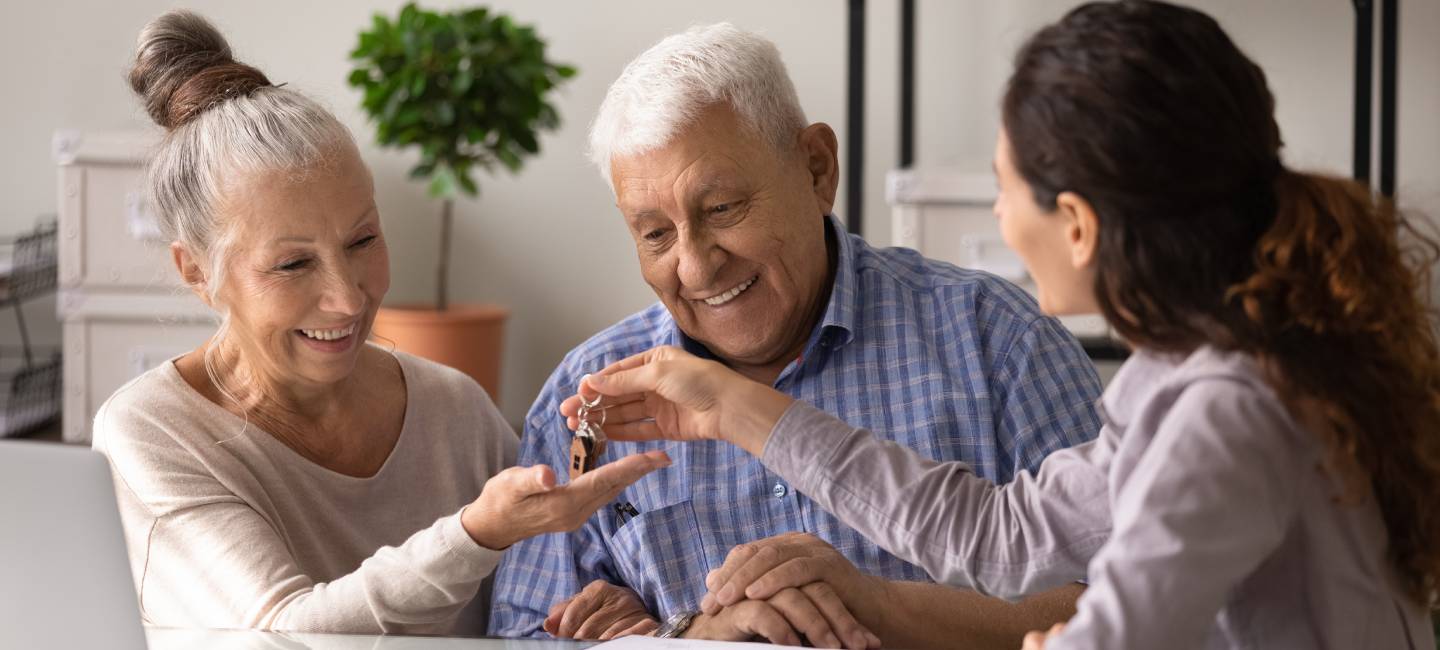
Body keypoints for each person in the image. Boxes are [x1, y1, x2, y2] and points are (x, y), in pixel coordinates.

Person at [563, 2, 1440, 648]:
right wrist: (730, 408)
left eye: (1001, 183)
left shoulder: (1226, 409)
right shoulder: (1177, 381)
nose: (994, 211)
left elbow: (1121, 630)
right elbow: (996, 534)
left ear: (1078, 224)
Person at [487, 22, 1103, 648]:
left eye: (722, 209)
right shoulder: (587, 397)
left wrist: (881, 606)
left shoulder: (996, 340)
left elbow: (1135, 610)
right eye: (655, 234)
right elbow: (523, 634)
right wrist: (688, 638)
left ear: (817, 169)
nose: (696, 267)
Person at [92, 10, 667, 635]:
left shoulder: (456, 412)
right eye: (292, 264)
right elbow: (286, 633)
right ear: (197, 271)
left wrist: (611, 604)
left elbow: (539, 603)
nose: (346, 298)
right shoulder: (151, 433)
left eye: (363, 239)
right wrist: (478, 532)